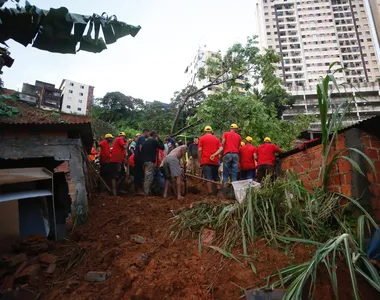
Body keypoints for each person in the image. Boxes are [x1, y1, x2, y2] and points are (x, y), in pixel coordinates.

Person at [198, 126, 223, 195]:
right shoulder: (216, 139)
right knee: (216, 176)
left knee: (208, 178)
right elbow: (221, 148)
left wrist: (200, 161)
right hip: (215, 161)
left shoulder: (202, 138)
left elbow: (200, 150)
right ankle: (219, 190)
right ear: (211, 131)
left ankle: (210, 193)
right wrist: (214, 155)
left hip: (206, 161)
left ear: (204, 131)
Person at [134, 129, 150, 194]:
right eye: (148, 133)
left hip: (137, 157)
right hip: (139, 158)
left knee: (139, 173)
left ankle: (138, 189)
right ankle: (138, 189)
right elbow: (141, 147)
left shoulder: (140, 138)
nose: (148, 135)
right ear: (145, 132)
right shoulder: (142, 138)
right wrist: (143, 156)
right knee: (139, 173)